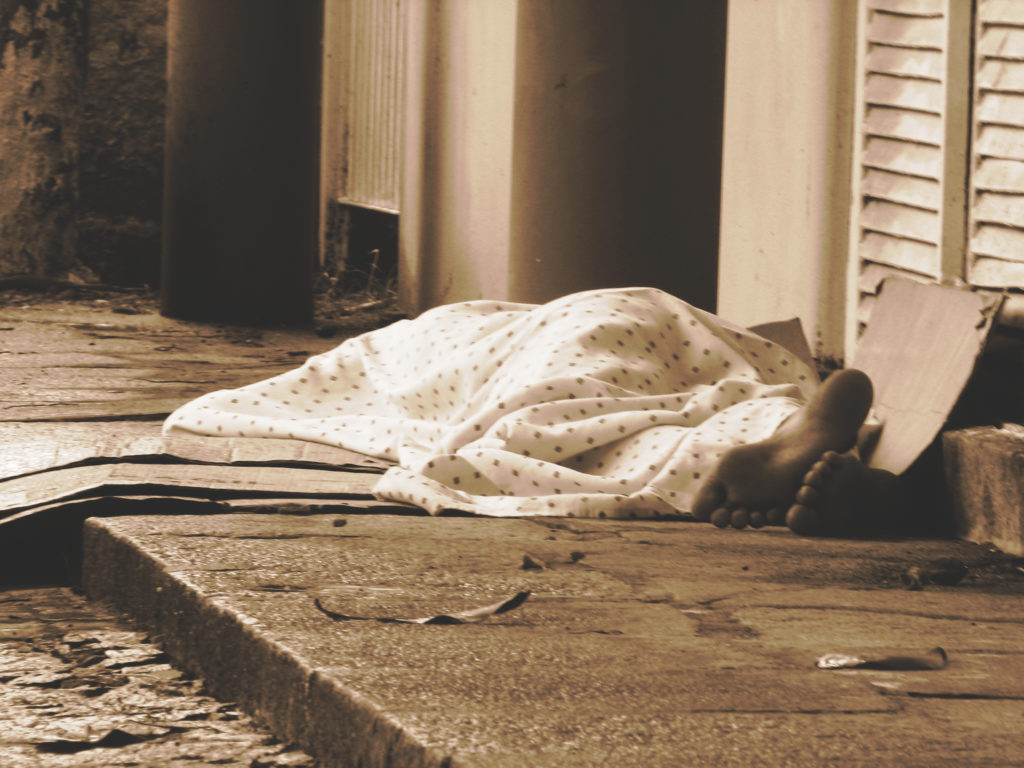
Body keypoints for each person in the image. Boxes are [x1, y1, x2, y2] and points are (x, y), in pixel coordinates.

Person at [164, 286, 906, 535]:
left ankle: (736, 457)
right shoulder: (473, 324)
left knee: (574, 415)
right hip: (661, 325)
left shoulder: (412, 342)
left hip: (582, 328)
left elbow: (359, 380)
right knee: (670, 395)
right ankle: (770, 433)